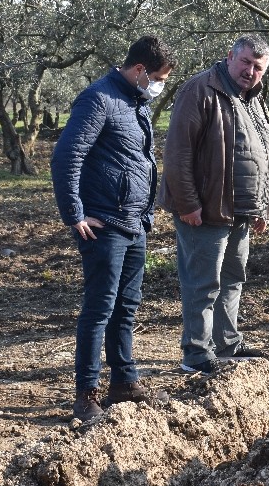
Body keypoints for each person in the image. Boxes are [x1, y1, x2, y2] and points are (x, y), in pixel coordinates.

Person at [51, 35, 177, 421]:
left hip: (135, 221)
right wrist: (74, 213)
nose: (159, 85)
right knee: (100, 308)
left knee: (126, 308)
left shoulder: (134, 102)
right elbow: (67, 156)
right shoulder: (99, 98)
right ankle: (86, 394)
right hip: (103, 223)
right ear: (139, 70)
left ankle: (124, 382)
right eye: (157, 77)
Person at [158, 33, 269, 374]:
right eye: (246, 63)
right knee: (203, 282)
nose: (250, 71)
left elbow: (265, 153)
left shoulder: (253, 98)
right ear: (230, 57)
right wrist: (187, 203)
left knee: (233, 279)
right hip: (205, 211)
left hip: (240, 212)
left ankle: (227, 343)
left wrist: (263, 207)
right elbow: (178, 152)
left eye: (258, 67)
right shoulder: (200, 90)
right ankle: (196, 353)